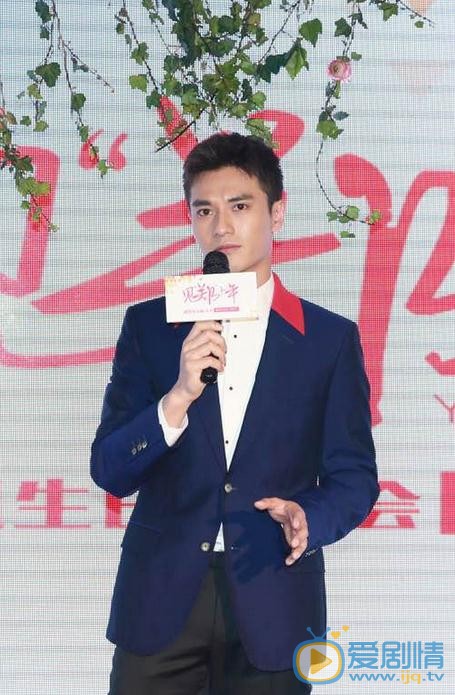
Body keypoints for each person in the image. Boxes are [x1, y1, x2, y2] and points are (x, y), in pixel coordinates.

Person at [90, 132, 379, 694]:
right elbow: (110, 469)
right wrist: (176, 399)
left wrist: (309, 517)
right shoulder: (151, 326)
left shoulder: (328, 339)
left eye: (240, 206)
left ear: (277, 213)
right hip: (159, 601)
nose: (221, 226)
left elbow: (355, 477)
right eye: (205, 210)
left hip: (276, 598)